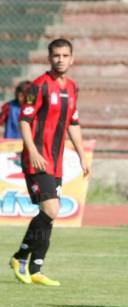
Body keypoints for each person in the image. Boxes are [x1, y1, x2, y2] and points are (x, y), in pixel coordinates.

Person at [9, 38, 89, 286]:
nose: (61, 60)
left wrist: (82, 154)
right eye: (56, 55)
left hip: (56, 161)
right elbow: (24, 120)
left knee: (49, 214)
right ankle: (20, 256)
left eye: (65, 56)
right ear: (49, 58)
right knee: (51, 209)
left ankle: (35, 268)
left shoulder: (73, 87)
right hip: (37, 160)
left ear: (72, 59)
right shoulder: (39, 86)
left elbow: (73, 123)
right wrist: (31, 150)